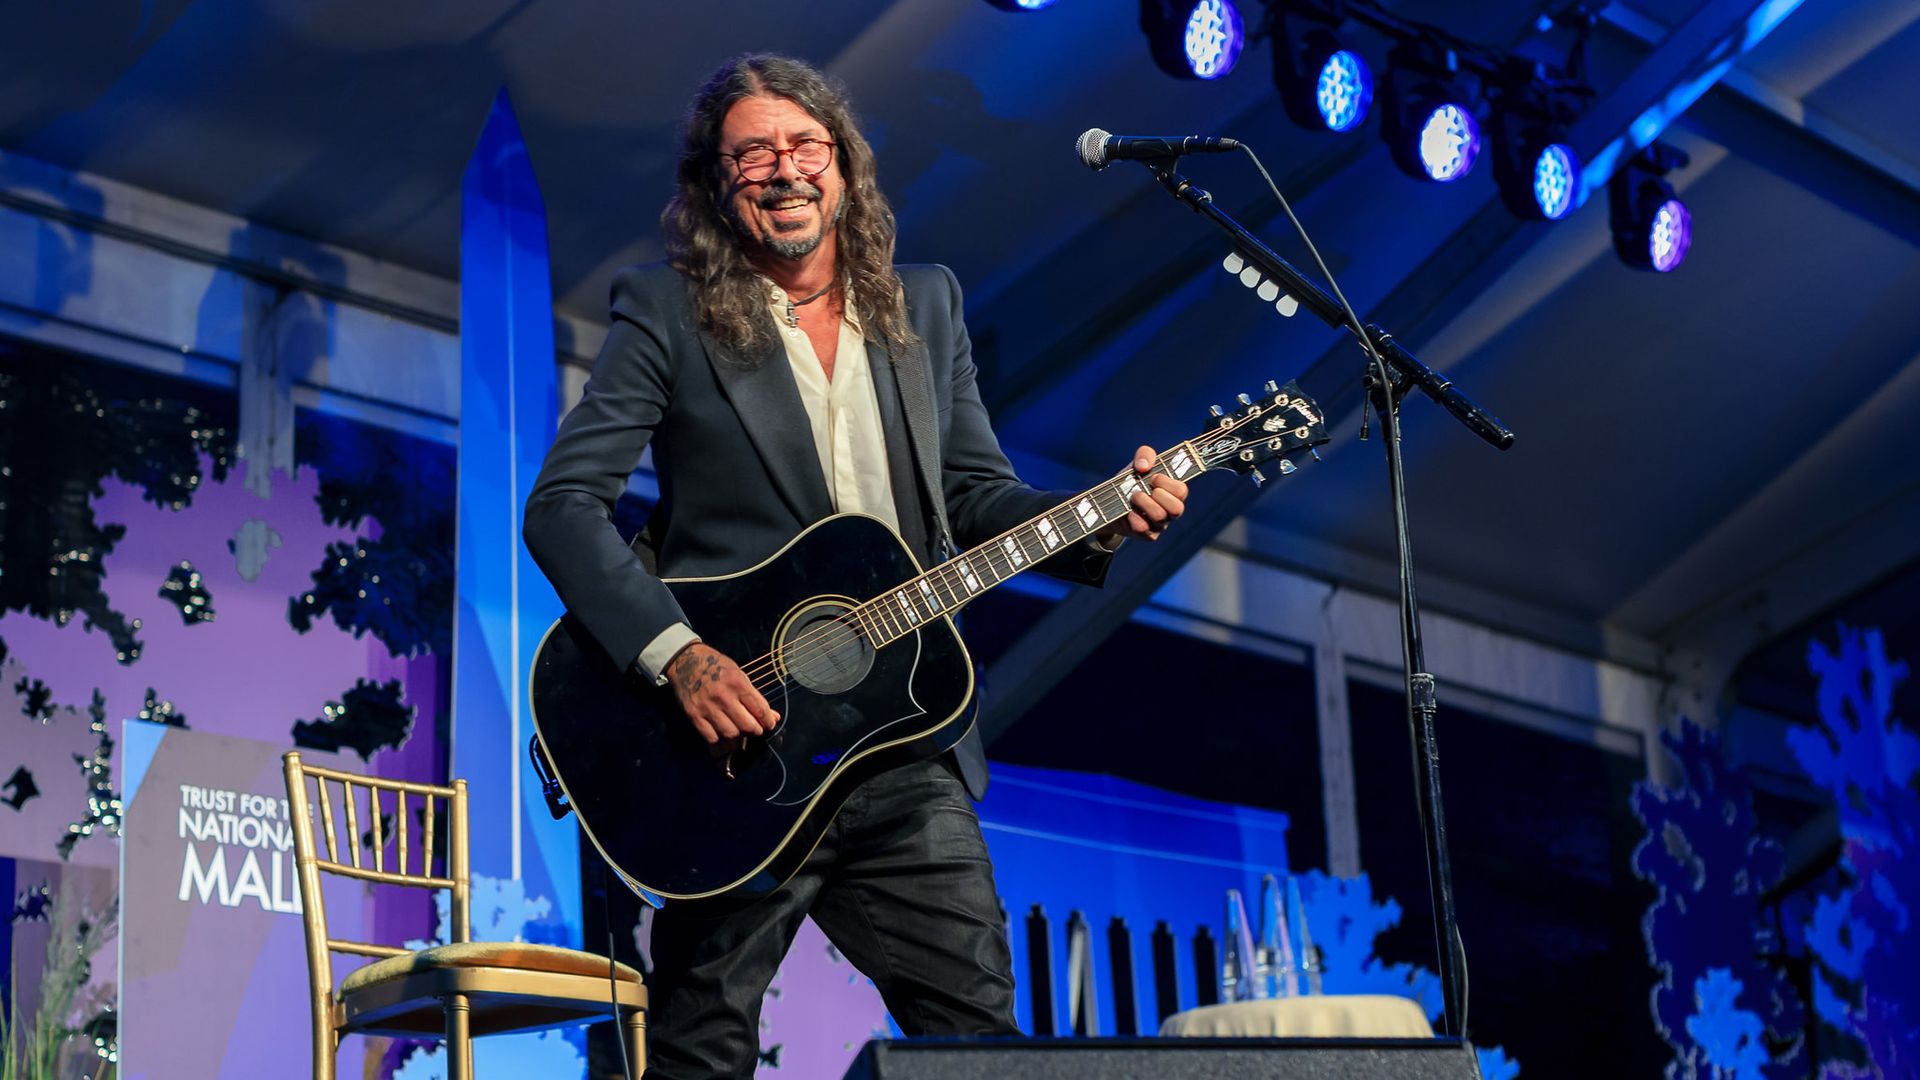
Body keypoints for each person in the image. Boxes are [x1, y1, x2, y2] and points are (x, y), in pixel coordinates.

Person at [523, 53, 1187, 1077]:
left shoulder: (926, 306)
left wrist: (1098, 516)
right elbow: (564, 508)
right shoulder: (665, 312)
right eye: (753, 154)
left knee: (982, 1052)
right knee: (700, 1053)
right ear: (714, 184)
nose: (785, 170)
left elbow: (977, 498)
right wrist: (678, 657)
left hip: (904, 742)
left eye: (805, 146)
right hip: (735, 759)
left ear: (844, 165)